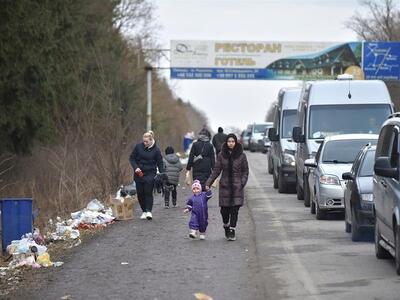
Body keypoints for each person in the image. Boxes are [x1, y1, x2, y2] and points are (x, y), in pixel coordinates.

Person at [205, 133, 249, 241]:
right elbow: (216, 170)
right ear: (226, 142)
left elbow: (245, 171)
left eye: (233, 141)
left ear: (236, 142)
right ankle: (226, 225)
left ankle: (232, 230)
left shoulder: (242, 155)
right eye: (229, 141)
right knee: (224, 211)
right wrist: (208, 183)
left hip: (237, 186)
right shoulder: (221, 155)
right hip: (225, 186)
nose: (231, 143)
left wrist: (242, 183)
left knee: (235, 210)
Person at [129, 131, 164, 220]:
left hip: (150, 173)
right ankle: (144, 211)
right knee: (140, 193)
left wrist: (162, 173)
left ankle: (149, 211)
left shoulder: (156, 150)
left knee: (148, 192)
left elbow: (160, 162)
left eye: (146, 142)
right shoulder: (138, 147)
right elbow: (132, 158)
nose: (144, 143)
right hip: (139, 173)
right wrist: (135, 167)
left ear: (151, 140)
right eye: (143, 141)